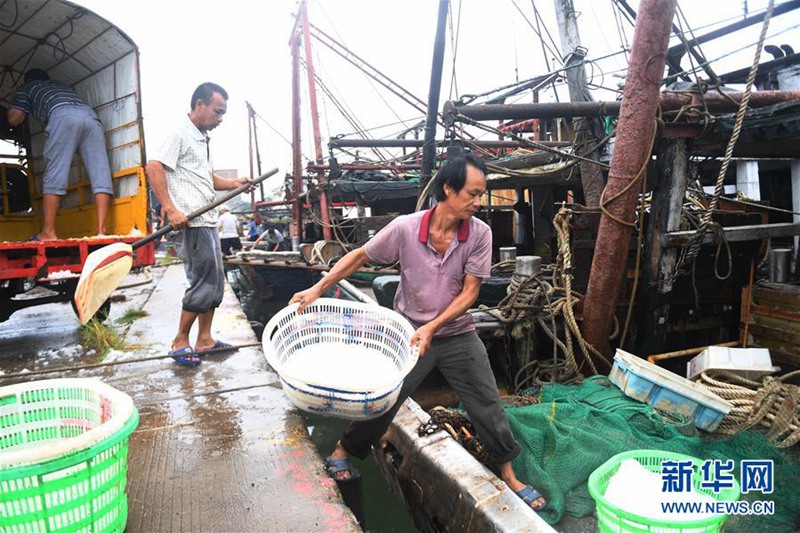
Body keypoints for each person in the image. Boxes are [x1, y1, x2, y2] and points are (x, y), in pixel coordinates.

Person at [289, 153, 547, 512]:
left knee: (486, 401)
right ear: (448, 188)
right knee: (384, 399)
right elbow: (360, 256)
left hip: (457, 334)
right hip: (409, 334)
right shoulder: (405, 228)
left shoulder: (479, 233)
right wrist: (318, 287)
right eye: (472, 194)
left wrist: (433, 327)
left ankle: (507, 473)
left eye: (481, 194)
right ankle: (344, 450)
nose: (478, 202)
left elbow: (470, 292)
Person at [146, 82, 252, 366]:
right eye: (218, 111)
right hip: (189, 223)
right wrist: (170, 209)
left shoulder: (202, 139)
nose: (221, 119)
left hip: (206, 221)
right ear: (200, 105)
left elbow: (206, 178)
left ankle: (205, 339)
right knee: (203, 281)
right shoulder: (179, 132)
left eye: (223, 113)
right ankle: (180, 341)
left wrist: (234, 183)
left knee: (215, 283)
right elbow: (154, 166)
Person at [7, 68, 114, 241]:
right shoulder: (61, 86)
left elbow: (14, 119)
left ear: (28, 80)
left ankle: (48, 233)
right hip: (90, 116)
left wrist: (15, 97)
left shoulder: (27, 88)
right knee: (100, 171)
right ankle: (102, 231)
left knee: (55, 172)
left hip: (62, 116)